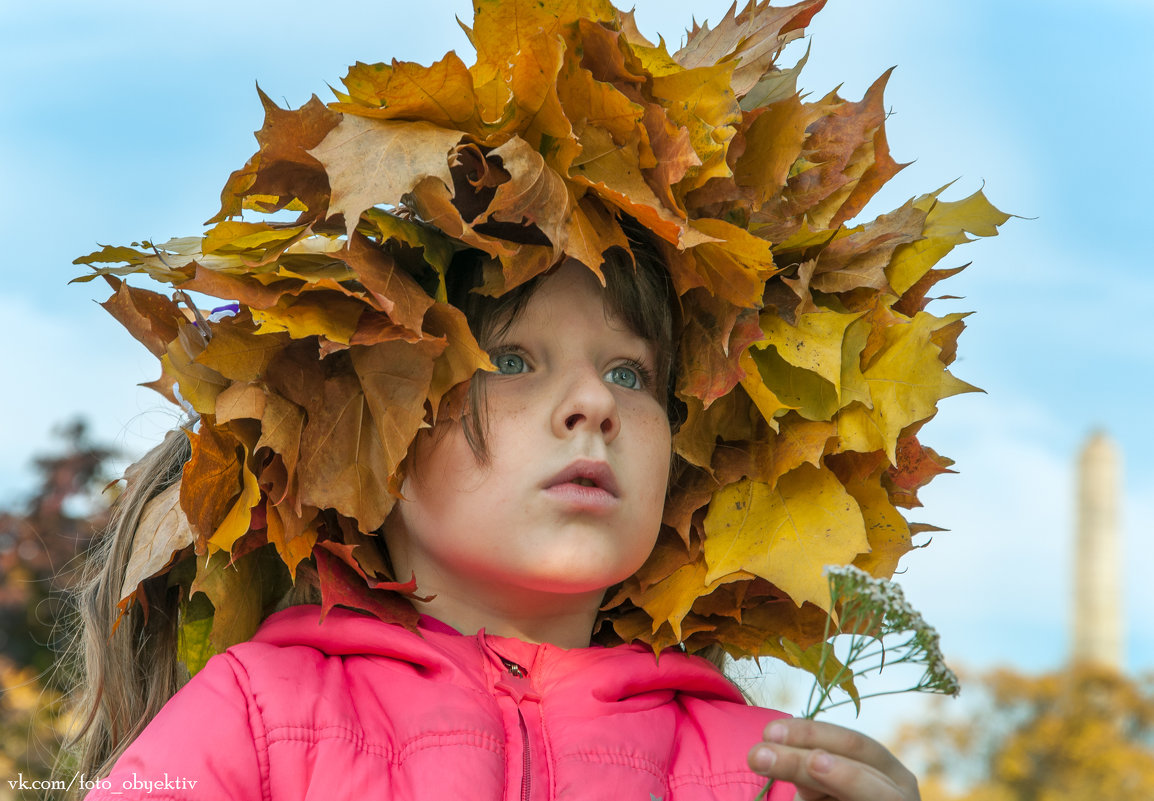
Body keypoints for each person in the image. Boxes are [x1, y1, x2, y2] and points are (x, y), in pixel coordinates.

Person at [62, 1, 995, 798]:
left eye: (631, 374)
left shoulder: (752, 764)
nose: (593, 403)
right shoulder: (257, 712)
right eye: (510, 360)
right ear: (366, 438)